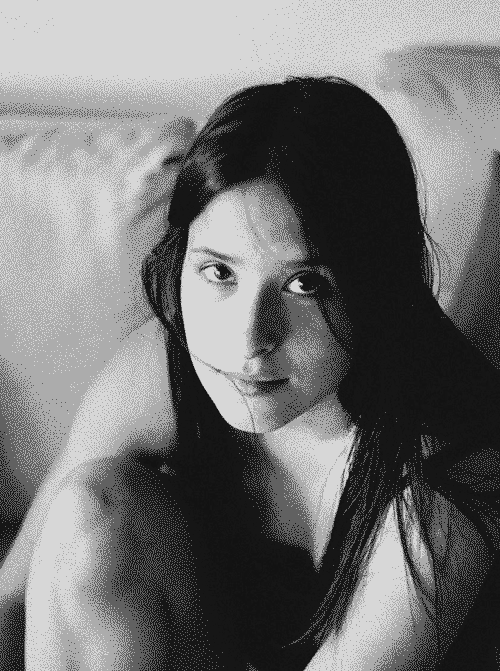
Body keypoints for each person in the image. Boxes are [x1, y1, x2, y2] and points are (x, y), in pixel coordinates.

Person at [10, 76, 500, 669]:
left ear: (377, 285)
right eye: (219, 272)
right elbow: (15, 596)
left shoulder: (447, 475)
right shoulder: (164, 369)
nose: (247, 342)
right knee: (87, 515)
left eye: (305, 284)